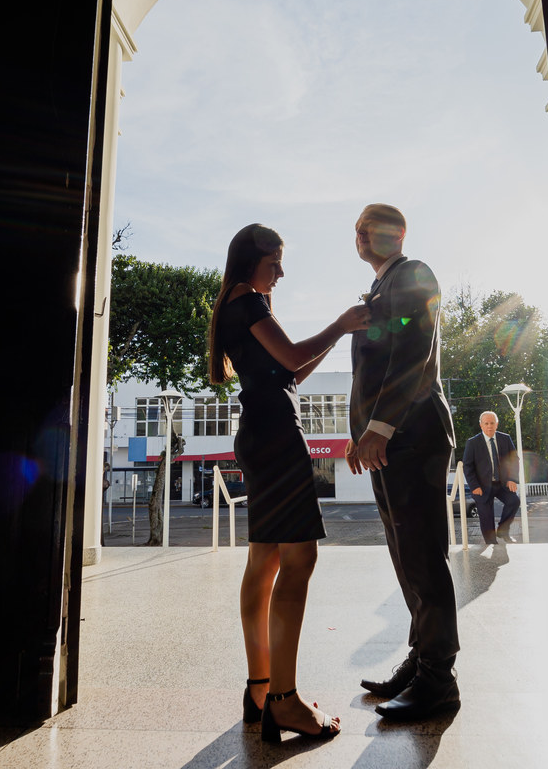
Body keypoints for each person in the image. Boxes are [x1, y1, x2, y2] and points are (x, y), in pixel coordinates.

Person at [208, 223, 369, 743]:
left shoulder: (237, 303)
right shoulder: (250, 301)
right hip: (277, 439)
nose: (281, 270)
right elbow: (295, 357)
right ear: (252, 260)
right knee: (299, 560)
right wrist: (341, 324)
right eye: (275, 260)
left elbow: (289, 372)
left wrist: (333, 338)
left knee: (265, 561)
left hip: (258, 434)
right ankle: (284, 699)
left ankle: (261, 689)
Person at [344, 204, 460, 721]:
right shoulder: (380, 288)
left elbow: (414, 351)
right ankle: (420, 660)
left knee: (423, 556)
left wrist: (380, 425)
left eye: (374, 226)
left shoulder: (414, 274)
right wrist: (360, 434)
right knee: (405, 555)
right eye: (360, 227)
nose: (364, 234)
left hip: (413, 434)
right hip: (391, 439)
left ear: (400, 234)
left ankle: (439, 679)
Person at [462, 411, 522, 545]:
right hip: (482, 487)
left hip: (502, 484)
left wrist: (512, 478)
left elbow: (514, 460)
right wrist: (474, 486)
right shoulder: (472, 443)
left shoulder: (505, 438)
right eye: (486, 423)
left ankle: (503, 530)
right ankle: (491, 543)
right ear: (481, 425)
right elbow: (468, 467)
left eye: (492, 423)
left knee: (514, 501)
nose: (489, 426)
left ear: (497, 424)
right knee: (486, 517)